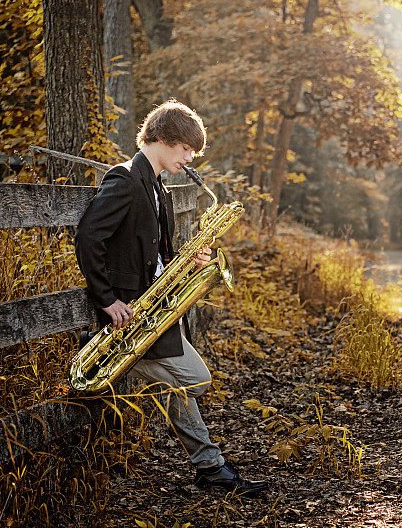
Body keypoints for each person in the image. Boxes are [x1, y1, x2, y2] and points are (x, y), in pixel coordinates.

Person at [75, 99, 267, 497]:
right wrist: (106, 299)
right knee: (191, 382)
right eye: (186, 150)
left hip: (152, 310)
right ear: (162, 138)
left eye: (193, 153)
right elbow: (89, 236)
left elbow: (153, 252)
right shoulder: (125, 178)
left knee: (191, 382)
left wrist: (188, 261)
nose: (190, 159)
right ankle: (210, 466)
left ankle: (209, 467)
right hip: (129, 315)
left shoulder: (158, 184)